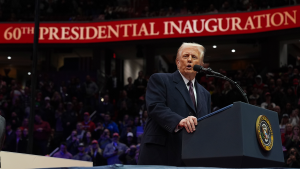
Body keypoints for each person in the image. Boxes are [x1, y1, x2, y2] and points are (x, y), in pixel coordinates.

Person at [138, 42, 211, 166]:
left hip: (191, 158)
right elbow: (155, 107)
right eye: (185, 56)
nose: (189, 60)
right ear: (177, 62)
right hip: (161, 155)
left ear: (201, 65)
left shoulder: (205, 94)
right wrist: (179, 121)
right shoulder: (160, 79)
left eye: (194, 57)